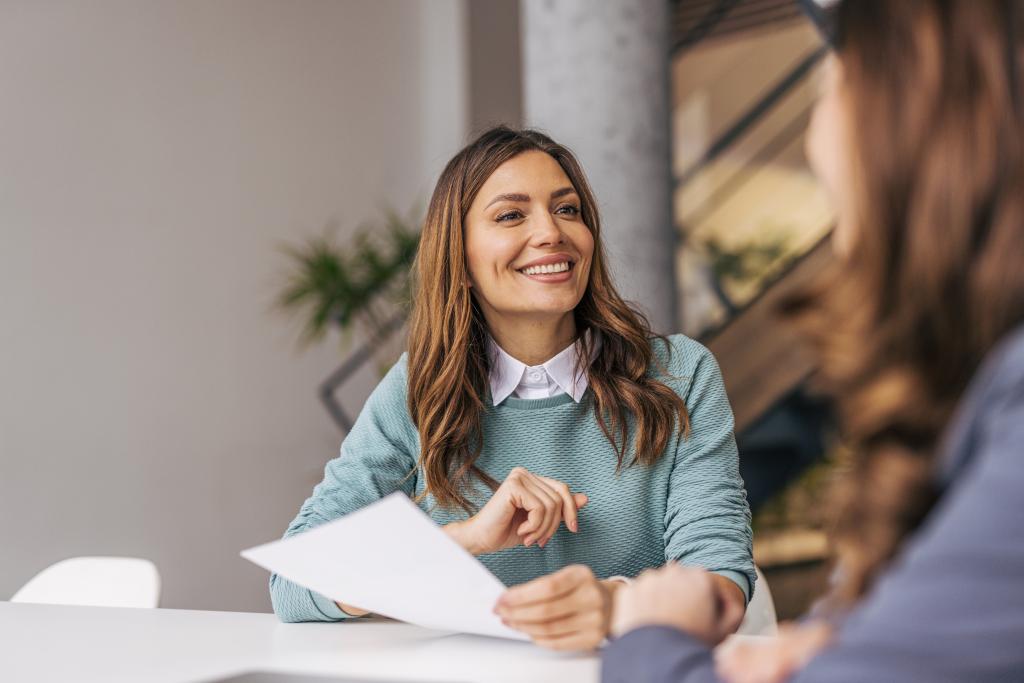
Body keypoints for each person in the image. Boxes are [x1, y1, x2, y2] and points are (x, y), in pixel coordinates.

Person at [603, 0, 1024, 680]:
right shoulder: (422, 387)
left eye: (829, 82)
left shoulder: (680, 367)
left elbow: (713, 553)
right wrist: (846, 637)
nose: (812, 140)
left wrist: (650, 636)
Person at [270, 126, 755, 650]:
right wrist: (465, 539)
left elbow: (721, 580)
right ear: (462, 260)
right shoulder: (419, 389)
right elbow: (293, 582)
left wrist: (617, 607)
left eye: (568, 210)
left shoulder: (679, 373)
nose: (551, 232)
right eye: (511, 215)